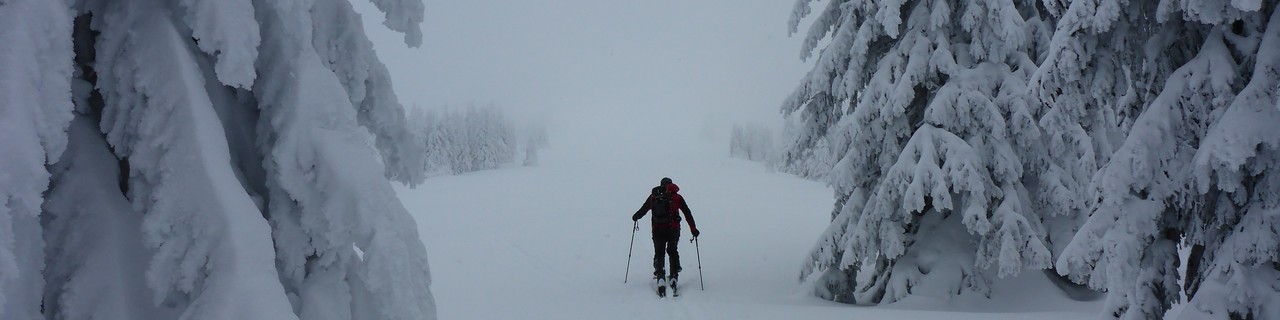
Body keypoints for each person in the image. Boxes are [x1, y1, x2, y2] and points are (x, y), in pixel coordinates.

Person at [632, 177, 699, 289]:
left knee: (659, 252)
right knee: (672, 251)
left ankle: (660, 276)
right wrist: (693, 229)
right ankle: (673, 276)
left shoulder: (654, 197)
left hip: (657, 229)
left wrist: (635, 217)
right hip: (673, 229)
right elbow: (687, 213)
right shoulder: (677, 197)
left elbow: (643, 210)